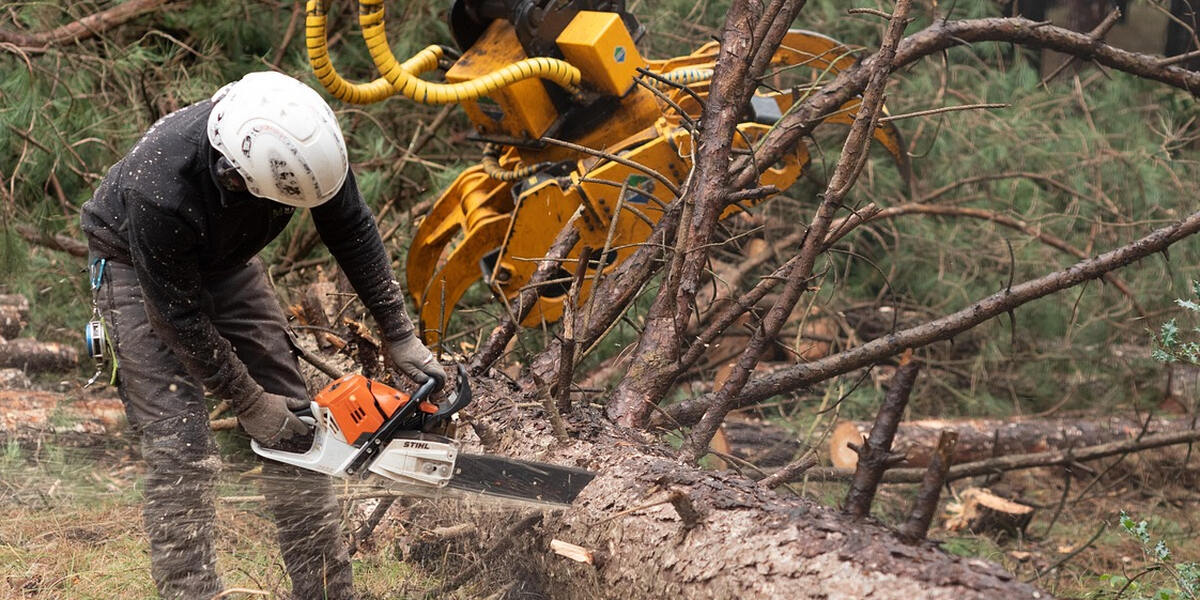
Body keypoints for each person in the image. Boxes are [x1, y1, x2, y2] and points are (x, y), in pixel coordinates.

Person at [79, 71, 445, 599]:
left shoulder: (305, 147)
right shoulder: (159, 185)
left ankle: (325, 590)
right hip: (135, 269)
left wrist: (399, 332)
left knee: (298, 425)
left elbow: (352, 228)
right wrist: (248, 400)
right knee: (180, 442)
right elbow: (175, 317)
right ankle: (192, 592)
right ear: (233, 173)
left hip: (227, 263)